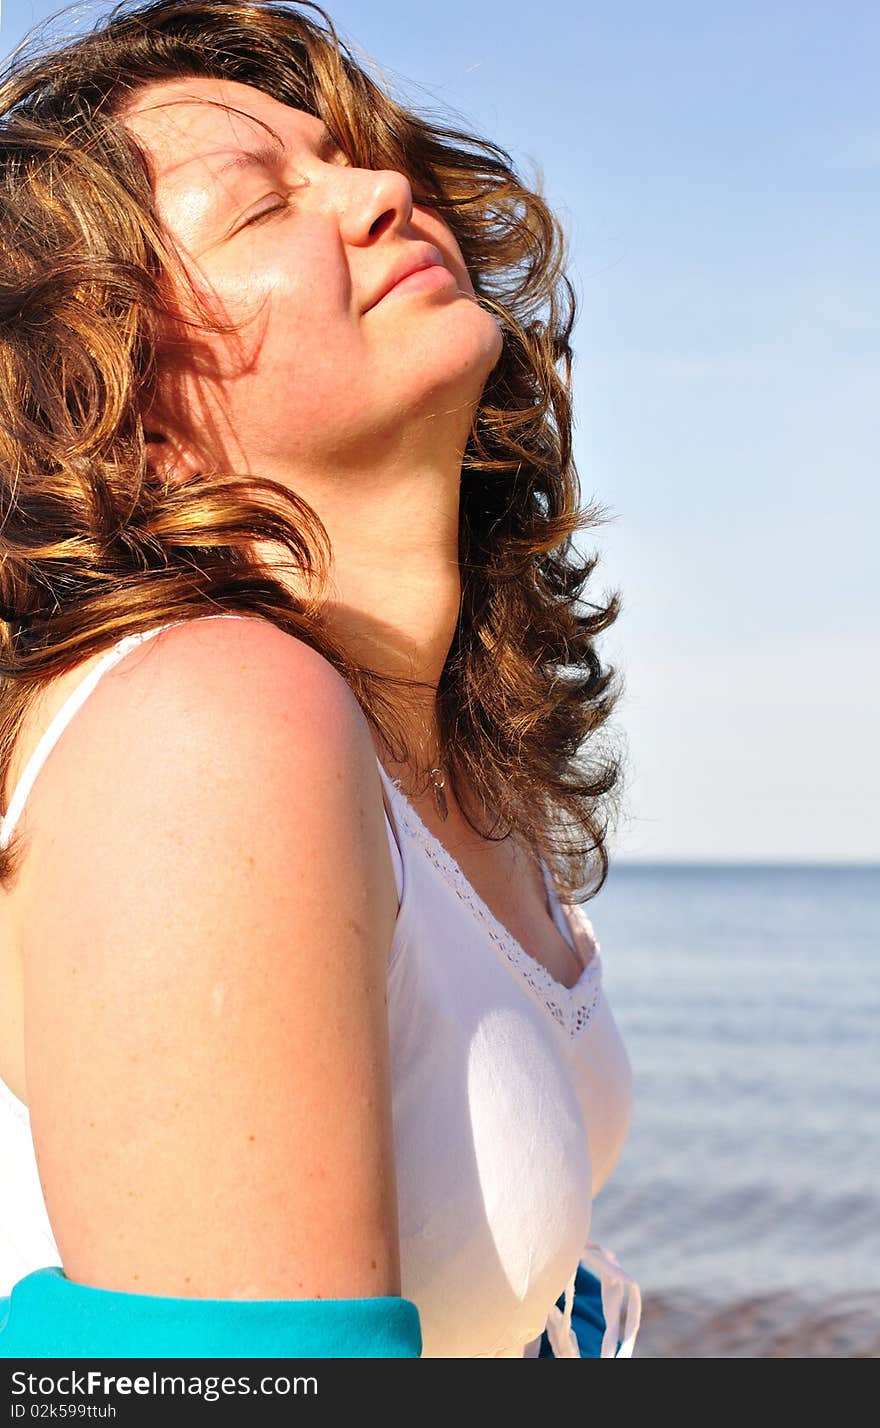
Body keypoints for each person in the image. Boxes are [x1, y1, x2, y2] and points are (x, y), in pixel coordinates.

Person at [0, 0, 641, 1357]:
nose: (381, 189)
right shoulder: (211, 724)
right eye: (256, 205)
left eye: (352, 153)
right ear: (110, 406)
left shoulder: (446, 752)